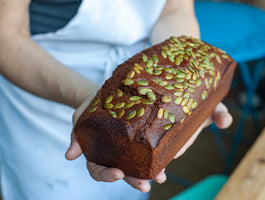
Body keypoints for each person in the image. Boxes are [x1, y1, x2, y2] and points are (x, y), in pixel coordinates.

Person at [0, 0, 233, 199]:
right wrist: (92, 101)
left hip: (146, 79)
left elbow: (174, 10)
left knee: (129, 188)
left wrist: (186, 82)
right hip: (46, 92)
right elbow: (6, 36)